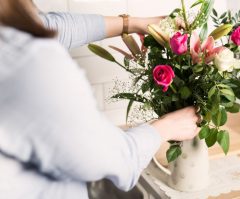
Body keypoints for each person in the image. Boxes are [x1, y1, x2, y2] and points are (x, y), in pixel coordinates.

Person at [0, 0, 200, 198]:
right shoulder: (26, 63)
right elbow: (116, 161)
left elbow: (49, 26)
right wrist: (166, 127)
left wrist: (134, 23)